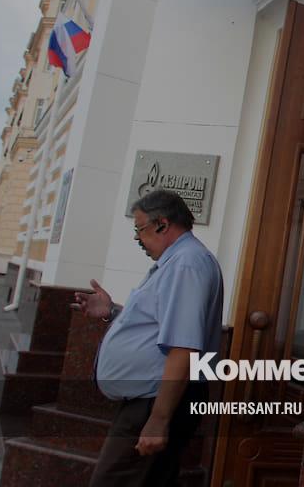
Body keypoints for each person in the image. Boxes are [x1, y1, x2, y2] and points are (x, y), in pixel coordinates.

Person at [72, 189, 223, 486]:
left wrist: (158, 419)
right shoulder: (178, 261)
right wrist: (111, 311)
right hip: (152, 398)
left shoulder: (187, 263)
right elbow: (158, 323)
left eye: (140, 229)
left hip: (157, 400)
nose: (137, 238)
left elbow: (184, 347)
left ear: (162, 224)